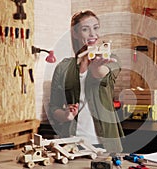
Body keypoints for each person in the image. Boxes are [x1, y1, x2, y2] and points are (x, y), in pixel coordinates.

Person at [48, 10, 124, 153]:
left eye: (95, 28)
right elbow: (54, 107)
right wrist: (65, 115)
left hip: (104, 145)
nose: (92, 34)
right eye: (85, 29)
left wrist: (97, 67)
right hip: (71, 145)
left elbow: (101, 74)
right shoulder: (63, 68)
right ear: (75, 34)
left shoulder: (111, 60)